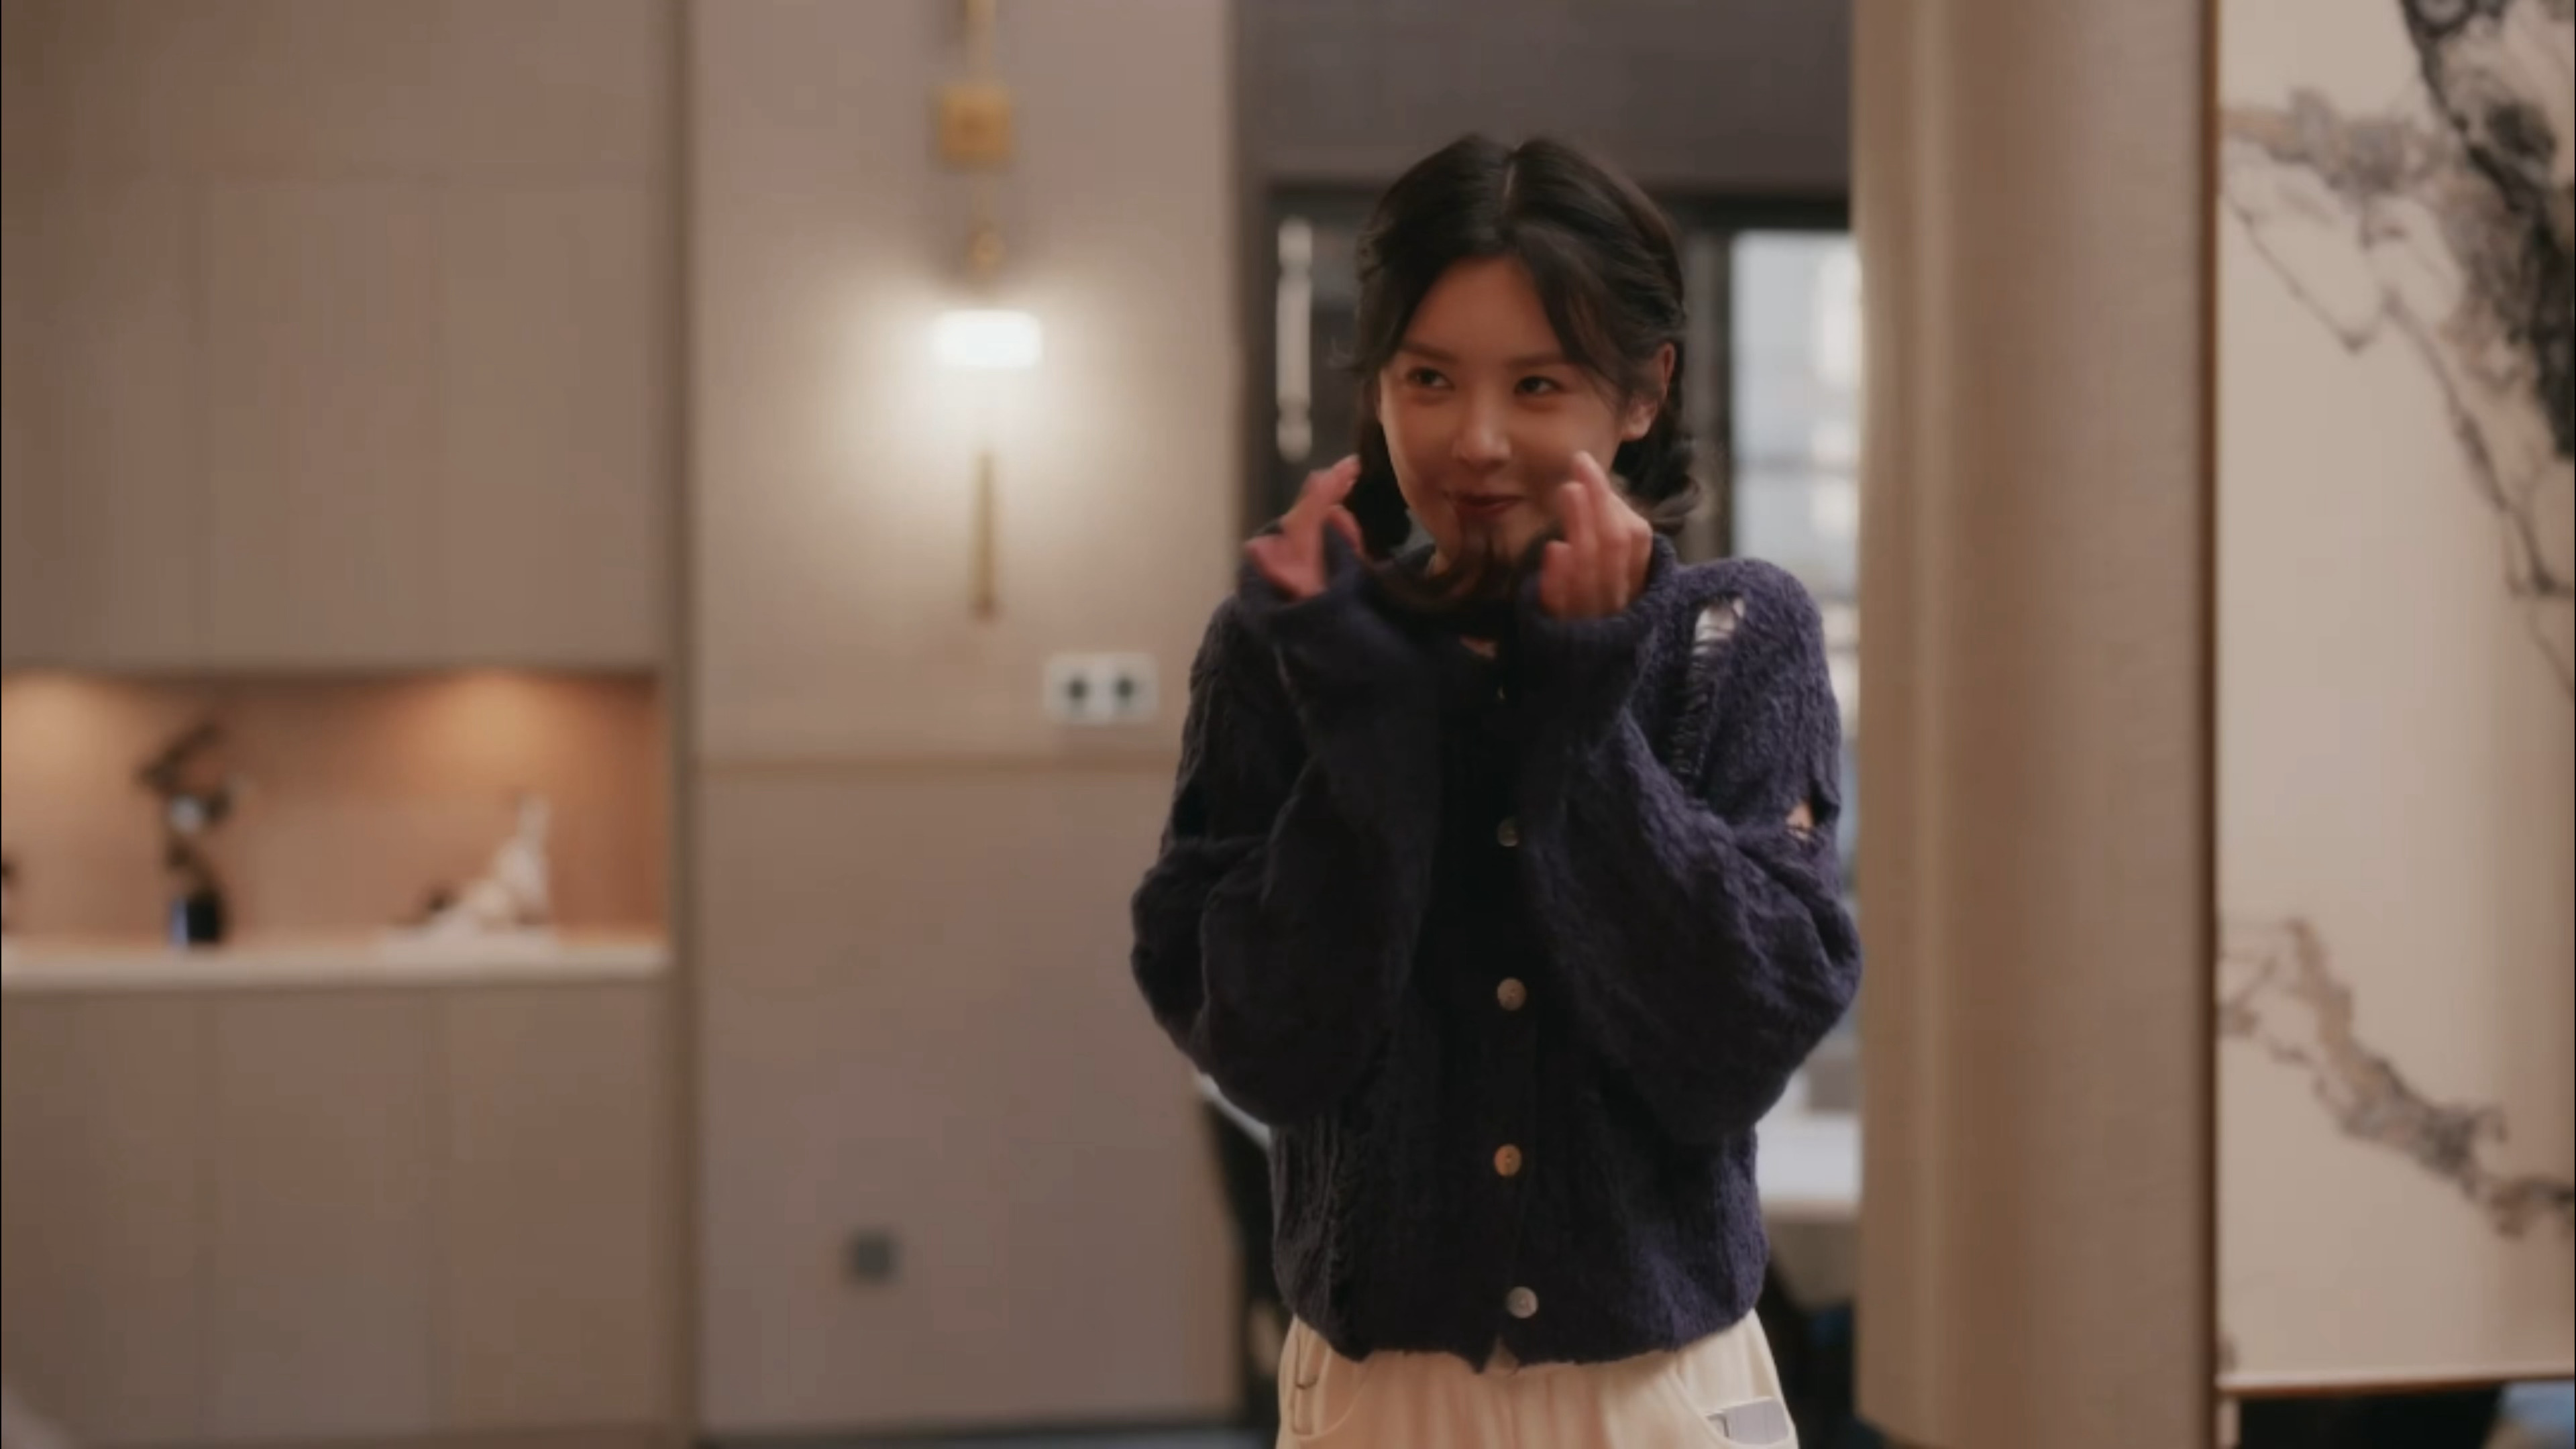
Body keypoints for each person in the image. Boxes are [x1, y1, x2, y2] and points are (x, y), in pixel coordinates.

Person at [1130, 134, 1862, 1447]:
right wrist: (1362, 714)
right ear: (1378, 386)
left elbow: (1732, 1050)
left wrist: (1582, 712)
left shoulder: (1733, 640)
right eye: (1429, 378)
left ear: (1642, 393)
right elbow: (1268, 1049)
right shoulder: (1284, 651)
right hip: (1379, 1400)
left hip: (1666, 1395)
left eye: (1537, 384)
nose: (1475, 441)